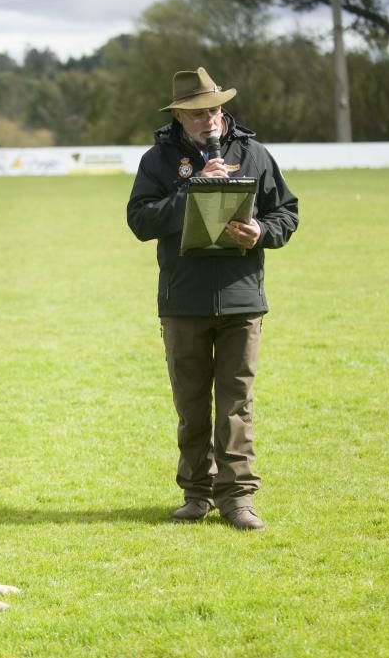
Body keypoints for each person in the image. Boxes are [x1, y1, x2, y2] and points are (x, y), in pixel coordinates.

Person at [127, 67, 299, 531]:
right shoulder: (158, 161)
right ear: (180, 116)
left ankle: (238, 499)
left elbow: (287, 212)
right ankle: (197, 493)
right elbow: (140, 221)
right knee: (191, 402)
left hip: (243, 300)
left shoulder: (255, 154)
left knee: (236, 403)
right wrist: (192, 188)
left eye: (216, 110)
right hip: (183, 301)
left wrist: (261, 231)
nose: (211, 120)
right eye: (199, 113)